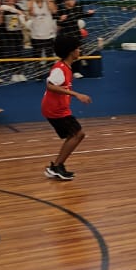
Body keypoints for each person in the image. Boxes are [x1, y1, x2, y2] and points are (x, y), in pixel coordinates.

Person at [42, 34, 93, 181]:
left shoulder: (66, 68)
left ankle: (57, 166)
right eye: (77, 48)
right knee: (78, 134)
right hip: (55, 110)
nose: (80, 50)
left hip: (59, 109)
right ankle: (56, 167)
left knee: (75, 135)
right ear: (71, 51)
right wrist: (76, 94)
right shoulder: (60, 68)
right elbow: (50, 86)